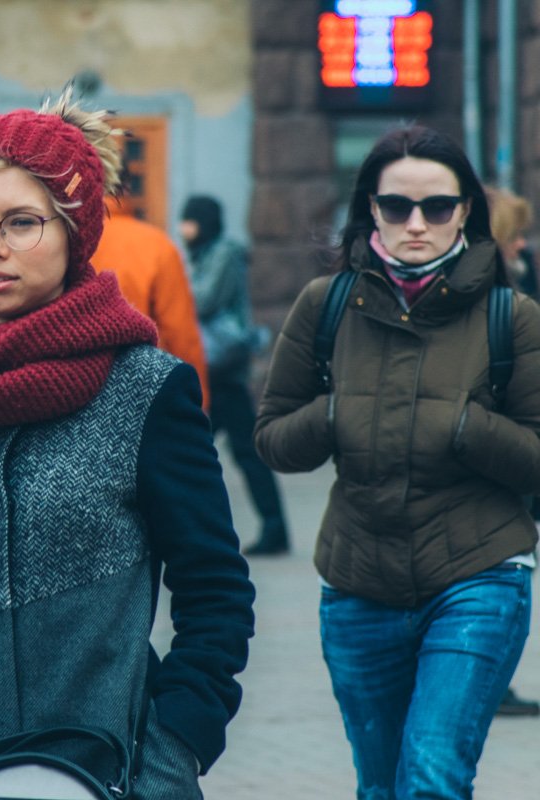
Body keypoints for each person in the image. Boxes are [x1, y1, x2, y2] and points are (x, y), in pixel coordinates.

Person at [0, 92, 255, 799]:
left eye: (21, 223)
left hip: (110, 768)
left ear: (74, 233)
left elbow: (214, 590)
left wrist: (175, 745)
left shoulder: (146, 390)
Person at [254, 125, 540, 798]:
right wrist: (333, 415)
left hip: (478, 573)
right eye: (397, 206)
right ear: (371, 209)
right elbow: (270, 438)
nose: (417, 224)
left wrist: (464, 427)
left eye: (437, 207)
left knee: (433, 774)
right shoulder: (325, 305)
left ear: (466, 210)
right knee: (380, 786)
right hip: (358, 581)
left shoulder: (512, 317)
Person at [180, 195, 290, 556]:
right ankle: (271, 529)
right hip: (214, 369)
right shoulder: (206, 252)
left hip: (222, 369)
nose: (185, 229)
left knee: (201, 452)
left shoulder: (224, 253)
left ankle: (271, 529)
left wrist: (170, 292)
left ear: (206, 222)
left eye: (191, 221)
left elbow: (206, 300)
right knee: (205, 451)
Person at [486, 186, 540, 718]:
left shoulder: (521, 286)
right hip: (501, 458)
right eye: (516, 234)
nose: (523, 243)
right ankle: (491, 682)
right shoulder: (501, 303)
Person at [92, 194, 210, 406]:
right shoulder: (156, 244)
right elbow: (180, 334)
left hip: (72, 388)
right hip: (140, 390)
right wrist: (198, 401)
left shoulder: (68, 240)